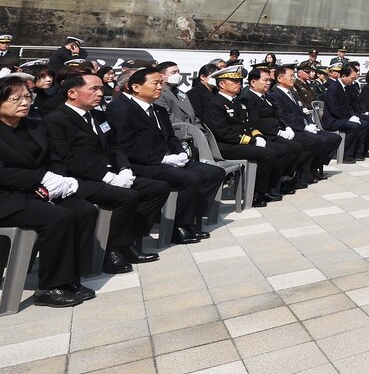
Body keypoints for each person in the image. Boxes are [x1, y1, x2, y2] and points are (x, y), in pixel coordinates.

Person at [39, 73, 171, 273]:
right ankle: (109, 249)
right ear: (72, 93)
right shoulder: (56, 120)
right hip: (79, 179)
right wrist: (106, 177)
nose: (100, 93)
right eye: (94, 89)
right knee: (128, 197)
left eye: (101, 88)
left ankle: (127, 241)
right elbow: (68, 159)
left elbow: (115, 146)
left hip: (110, 173)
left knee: (158, 188)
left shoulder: (99, 115)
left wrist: (125, 168)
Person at [0, 74, 98, 307]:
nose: (24, 102)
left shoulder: (35, 125)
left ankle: (71, 277)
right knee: (59, 218)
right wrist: (39, 178)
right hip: (6, 195)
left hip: (39, 190)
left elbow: (54, 157)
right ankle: (49, 287)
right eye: (15, 99)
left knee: (84, 210)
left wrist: (58, 180)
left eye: (27, 96)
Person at [107, 66, 224, 242]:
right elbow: (127, 146)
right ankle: (177, 226)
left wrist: (180, 152)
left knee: (215, 173)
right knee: (190, 179)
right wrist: (163, 158)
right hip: (143, 163)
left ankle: (188, 218)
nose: (160, 87)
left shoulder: (158, 110)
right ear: (136, 87)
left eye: (161, 83)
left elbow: (170, 136)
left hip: (168, 159)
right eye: (155, 83)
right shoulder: (123, 110)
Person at [197, 65, 295, 207]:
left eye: (239, 81)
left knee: (278, 149)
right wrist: (250, 141)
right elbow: (223, 132)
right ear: (222, 84)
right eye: (234, 82)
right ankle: (255, 193)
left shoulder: (237, 102)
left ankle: (268, 187)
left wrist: (257, 136)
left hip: (240, 142)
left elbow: (248, 124)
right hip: (226, 146)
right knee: (268, 154)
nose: (238, 84)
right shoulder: (215, 104)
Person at [239, 67, 318, 191]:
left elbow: (278, 115)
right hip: (265, 134)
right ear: (253, 82)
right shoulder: (248, 98)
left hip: (277, 131)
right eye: (265, 80)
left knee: (296, 147)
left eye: (269, 80)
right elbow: (257, 122)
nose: (268, 83)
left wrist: (286, 127)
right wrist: (278, 132)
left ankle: (283, 179)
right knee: (284, 149)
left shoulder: (267, 97)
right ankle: (271, 185)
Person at [270, 64, 340, 180]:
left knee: (334, 138)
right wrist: (304, 127)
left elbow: (301, 111)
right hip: (294, 129)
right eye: (291, 76)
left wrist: (310, 123)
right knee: (317, 141)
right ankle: (305, 172)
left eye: (293, 76)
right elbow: (285, 117)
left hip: (303, 126)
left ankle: (314, 166)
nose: (293, 78)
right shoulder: (275, 95)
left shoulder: (291, 92)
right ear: (280, 78)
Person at [322, 61, 369, 161]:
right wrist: (349, 118)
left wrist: (353, 116)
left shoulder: (347, 88)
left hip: (342, 117)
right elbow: (335, 110)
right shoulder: (334, 88)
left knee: (365, 124)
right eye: (351, 78)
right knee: (353, 126)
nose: (352, 81)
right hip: (332, 120)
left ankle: (357, 152)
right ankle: (345, 154)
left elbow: (349, 106)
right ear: (343, 76)